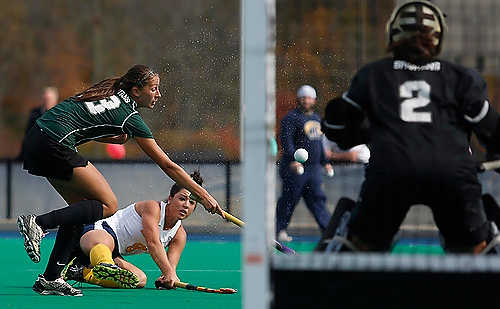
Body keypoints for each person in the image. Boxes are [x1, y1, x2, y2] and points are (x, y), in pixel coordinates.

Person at [17, 64, 224, 296]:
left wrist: (113, 137)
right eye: (154, 89)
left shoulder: (110, 94)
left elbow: (85, 121)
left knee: (82, 209)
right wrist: (204, 195)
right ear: (136, 91)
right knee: (108, 205)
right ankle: (39, 223)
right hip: (53, 142)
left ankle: (51, 278)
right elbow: (167, 165)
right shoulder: (130, 116)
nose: (158, 94)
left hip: (39, 137)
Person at [321, 0, 500, 253]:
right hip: (453, 176)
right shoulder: (461, 78)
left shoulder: (373, 75)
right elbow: (492, 130)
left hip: (389, 174)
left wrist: (363, 134)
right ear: (438, 37)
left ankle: (340, 273)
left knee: (360, 249)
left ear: (393, 33)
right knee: (474, 250)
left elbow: (336, 127)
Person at [61, 170, 203, 290]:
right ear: (171, 198)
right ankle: (104, 264)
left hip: (113, 253)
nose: (186, 205)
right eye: (182, 199)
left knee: (139, 280)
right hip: (95, 234)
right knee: (107, 242)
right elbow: (153, 243)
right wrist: (168, 273)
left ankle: (80, 271)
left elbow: (170, 268)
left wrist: (168, 277)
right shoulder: (153, 208)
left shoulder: (179, 235)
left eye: (191, 202)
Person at [276, 85, 333, 242]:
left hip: (314, 169)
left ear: (314, 100)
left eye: (309, 97)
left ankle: (328, 232)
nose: (306, 100)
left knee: (318, 199)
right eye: (303, 97)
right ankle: (279, 230)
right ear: (298, 99)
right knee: (289, 199)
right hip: (295, 169)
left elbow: (319, 143)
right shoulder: (291, 118)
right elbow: (286, 141)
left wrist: (325, 162)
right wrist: (294, 160)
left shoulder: (316, 119)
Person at [17, 87, 59, 161]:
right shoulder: (34, 114)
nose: (47, 101)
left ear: (55, 100)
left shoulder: (61, 114)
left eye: (49, 99)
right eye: (46, 99)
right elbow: (28, 134)